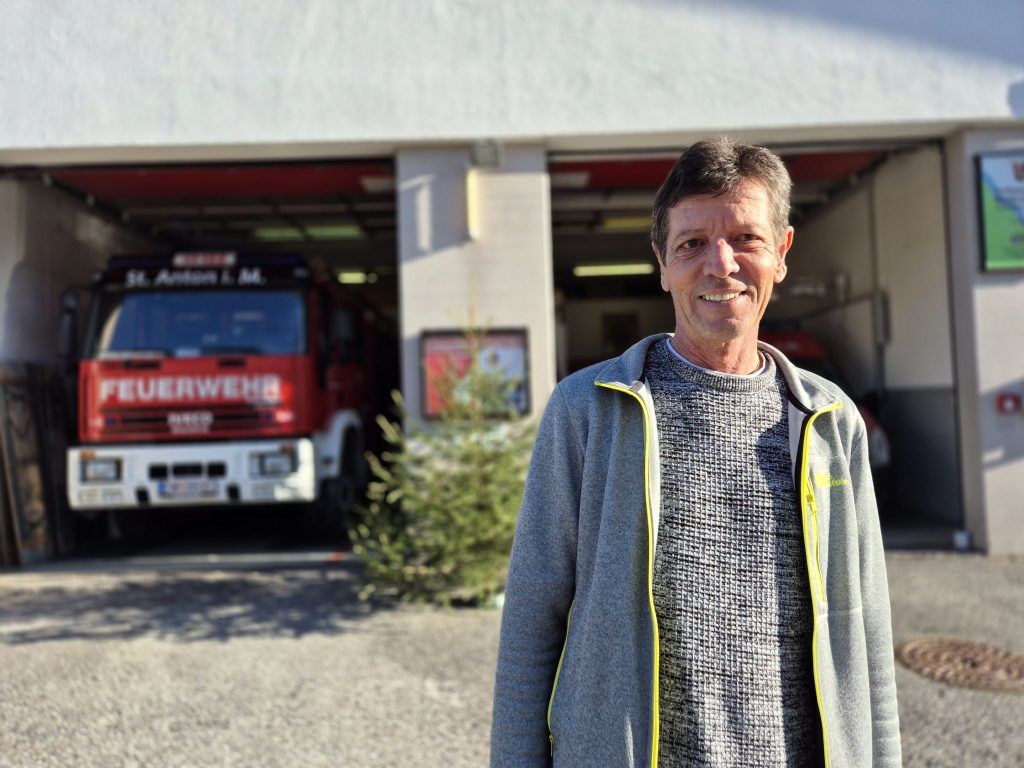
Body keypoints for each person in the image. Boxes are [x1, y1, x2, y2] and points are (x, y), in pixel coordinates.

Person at [490, 139, 901, 767]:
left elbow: (867, 629)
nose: (721, 264)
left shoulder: (831, 422)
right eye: (690, 245)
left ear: (782, 252)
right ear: (662, 262)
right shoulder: (587, 411)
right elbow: (530, 620)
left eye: (745, 238)